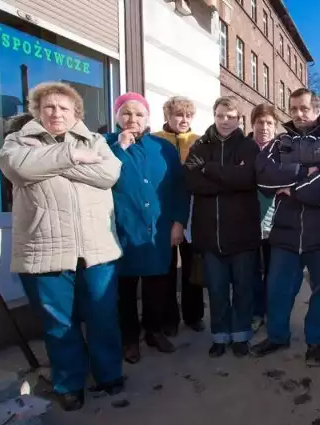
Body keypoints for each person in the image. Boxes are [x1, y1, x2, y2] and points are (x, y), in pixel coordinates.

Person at [0, 82, 124, 411]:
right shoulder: (18, 140)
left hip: (96, 248)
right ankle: (69, 383)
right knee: (59, 324)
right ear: (37, 111)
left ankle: (109, 374)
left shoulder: (94, 141)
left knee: (103, 317)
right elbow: (18, 168)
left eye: (64, 108)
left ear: (76, 114)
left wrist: (53, 163)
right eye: (49, 107)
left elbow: (109, 173)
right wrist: (71, 156)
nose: (56, 113)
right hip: (45, 249)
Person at [252, 88, 320, 367]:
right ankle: (277, 336)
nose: (298, 114)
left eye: (304, 109)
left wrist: (293, 190)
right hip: (285, 232)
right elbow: (263, 176)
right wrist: (302, 173)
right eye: (294, 109)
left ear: (317, 110)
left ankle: (315, 343)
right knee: (278, 289)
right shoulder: (280, 142)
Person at [105, 92, 190, 364]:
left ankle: (153, 331)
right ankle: (130, 338)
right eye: (126, 113)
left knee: (158, 285)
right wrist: (121, 148)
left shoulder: (163, 148)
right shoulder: (105, 145)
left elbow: (179, 186)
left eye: (139, 114)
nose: (133, 119)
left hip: (158, 230)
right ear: (117, 115)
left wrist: (178, 221)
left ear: (148, 118)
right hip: (122, 229)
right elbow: (101, 177)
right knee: (125, 290)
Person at [184, 96, 261, 358]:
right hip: (209, 235)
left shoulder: (249, 147)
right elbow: (192, 182)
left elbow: (249, 178)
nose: (225, 121)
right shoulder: (201, 145)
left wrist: (210, 169)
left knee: (242, 288)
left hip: (242, 234)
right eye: (220, 116)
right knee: (216, 291)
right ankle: (219, 336)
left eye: (231, 116)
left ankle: (240, 336)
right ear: (214, 116)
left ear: (239, 118)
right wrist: (229, 178)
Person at [154, 96, 205, 335]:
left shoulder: (199, 141)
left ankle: (194, 315)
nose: (183, 120)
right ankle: (167, 319)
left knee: (191, 265)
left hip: (194, 211)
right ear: (167, 116)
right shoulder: (155, 140)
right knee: (166, 267)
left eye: (188, 115)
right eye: (178, 115)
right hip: (163, 211)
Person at [248, 103, 279, 332]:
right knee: (251, 272)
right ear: (253, 124)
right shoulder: (243, 149)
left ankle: (272, 312)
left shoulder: (283, 151)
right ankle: (256, 312)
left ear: (275, 127)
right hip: (247, 222)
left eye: (269, 123)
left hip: (276, 223)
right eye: (260, 122)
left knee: (273, 272)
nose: (264, 127)